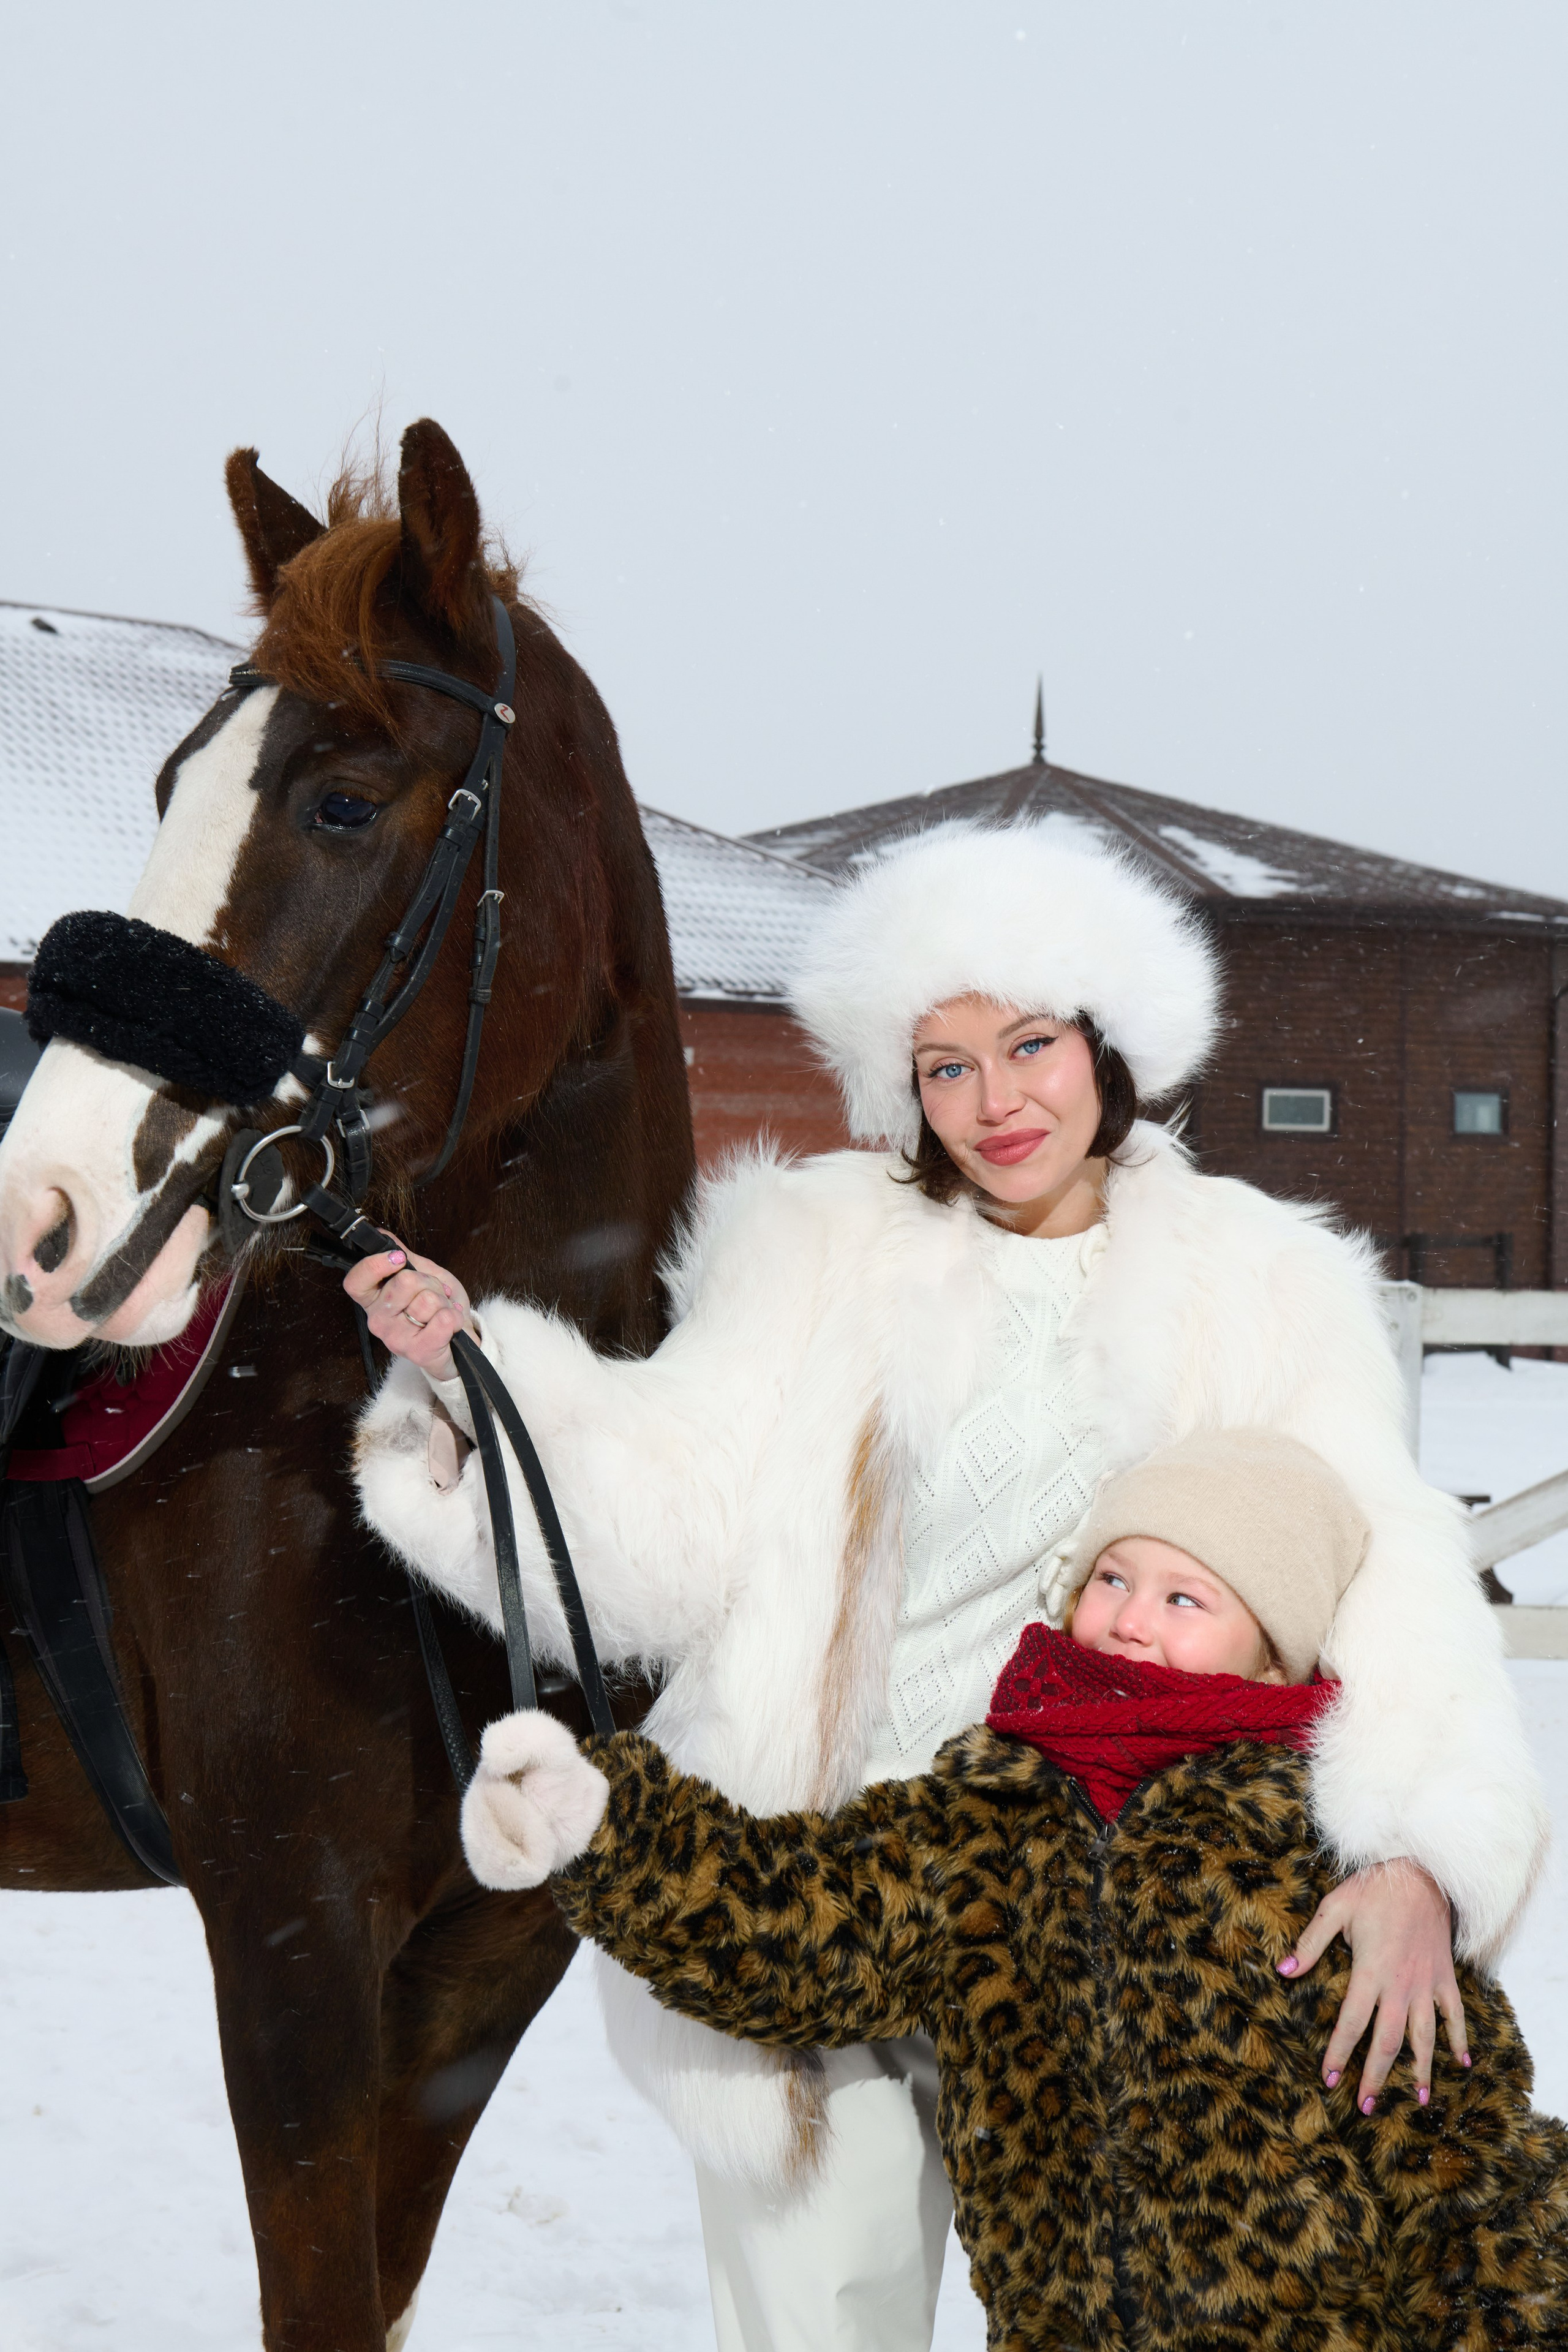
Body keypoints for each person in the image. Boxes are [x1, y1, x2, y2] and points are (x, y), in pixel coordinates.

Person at [347, 821, 1546, 2352]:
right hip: (811, 1887)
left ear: (1107, 1043)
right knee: (819, 2324)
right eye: (944, 1067)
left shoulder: (1260, 1281)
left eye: (1029, 1044)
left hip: (1106, 1922)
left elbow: (1387, 1574)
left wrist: (1419, 1858)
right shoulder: (815, 1247)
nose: (994, 1104)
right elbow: (674, 1511)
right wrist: (478, 1381)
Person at [458, 1428, 1568, 2352]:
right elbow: (800, 1921)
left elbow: (1468, 2165)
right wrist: (607, 1824)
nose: (1132, 1618)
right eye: (1114, 1579)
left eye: (1189, 1598)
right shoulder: (992, 1809)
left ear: (1273, 1655)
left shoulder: (1323, 1850)